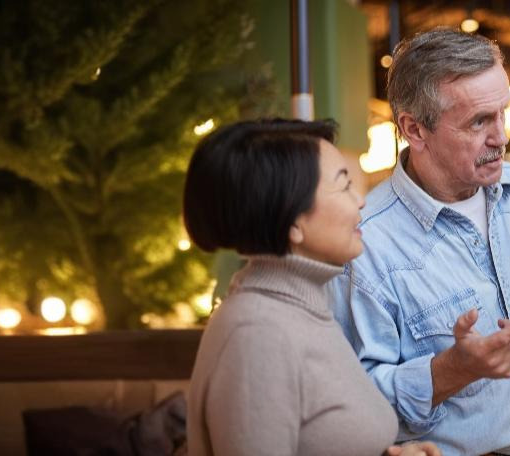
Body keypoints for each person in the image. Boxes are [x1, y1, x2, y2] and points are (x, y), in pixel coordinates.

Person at [328, 29, 510, 455]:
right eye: (478, 122)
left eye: (503, 113)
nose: (502, 137)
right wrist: (448, 372)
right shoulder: (365, 244)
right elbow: (351, 407)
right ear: (414, 129)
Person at [183, 119, 438, 456]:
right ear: (292, 221)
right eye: (344, 185)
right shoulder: (257, 334)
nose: (360, 201)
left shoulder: (302, 309)